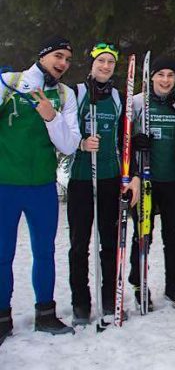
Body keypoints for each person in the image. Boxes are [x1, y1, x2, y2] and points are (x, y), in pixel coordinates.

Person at [0, 36, 81, 345]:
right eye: (58, 56)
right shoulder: (10, 82)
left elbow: (70, 144)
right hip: (5, 184)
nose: (62, 64)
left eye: (68, 60)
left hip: (41, 187)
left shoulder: (65, 94)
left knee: (44, 253)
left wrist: (51, 117)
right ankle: (2, 317)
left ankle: (45, 314)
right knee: (2, 254)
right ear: (43, 56)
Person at [67, 42, 140, 325]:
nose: (106, 67)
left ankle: (110, 298)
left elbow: (126, 140)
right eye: (101, 61)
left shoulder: (119, 98)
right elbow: (64, 133)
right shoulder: (77, 93)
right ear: (92, 63)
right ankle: (80, 303)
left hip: (110, 178)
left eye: (110, 62)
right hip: (82, 178)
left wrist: (130, 173)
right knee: (79, 243)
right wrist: (82, 143)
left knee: (110, 242)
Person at [129, 57, 175, 310]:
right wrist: (136, 142)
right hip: (146, 179)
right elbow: (124, 139)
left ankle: (172, 287)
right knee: (143, 236)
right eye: (161, 75)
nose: (166, 80)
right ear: (151, 77)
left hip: (173, 180)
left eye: (170, 75)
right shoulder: (137, 103)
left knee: (173, 237)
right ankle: (139, 284)